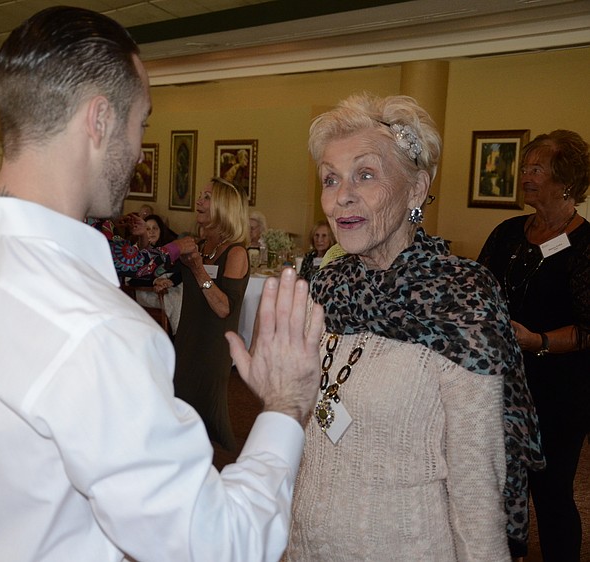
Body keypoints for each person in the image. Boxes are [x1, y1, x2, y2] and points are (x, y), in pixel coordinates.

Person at [0, 7, 326, 561]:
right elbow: (220, 545)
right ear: (99, 120)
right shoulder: (95, 329)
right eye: (141, 122)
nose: (141, 149)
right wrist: (285, 407)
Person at [283, 93, 543, 561]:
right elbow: (307, 431)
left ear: (417, 189)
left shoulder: (460, 299)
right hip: (308, 541)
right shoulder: (326, 287)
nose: (342, 195)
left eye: (365, 174)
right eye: (330, 178)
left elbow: (476, 481)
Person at [478, 129, 590, 561]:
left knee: (551, 491)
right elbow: (476, 290)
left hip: (558, 390)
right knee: (496, 485)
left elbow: (588, 328)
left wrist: (538, 341)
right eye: (524, 168)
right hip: (499, 384)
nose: (525, 176)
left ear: (565, 180)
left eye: (536, 169)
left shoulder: (585, 245)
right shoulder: (507, 232)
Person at [157, 177, 250, 452]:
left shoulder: (236, 253)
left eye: (207, 197)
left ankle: (217, 465)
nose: (199, 201)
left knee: (205, 412)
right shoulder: (196, 244)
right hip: (187, 338)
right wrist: (165, 279)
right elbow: (174, 274)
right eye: (200, 195)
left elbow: (224, 308)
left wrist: (198, 268)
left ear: (224, 207)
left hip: (212, 347)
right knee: (179, 403)